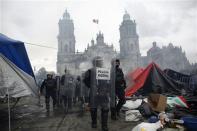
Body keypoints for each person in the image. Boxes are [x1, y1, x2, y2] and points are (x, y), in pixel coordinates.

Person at [83, 56, 111, 131]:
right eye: (98, 61)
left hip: (103, 92)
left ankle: (104, 126)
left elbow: (109, 81)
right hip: (94, 93)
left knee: (105, 109)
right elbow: (85, 80)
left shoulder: (106, 71)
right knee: (93, 108)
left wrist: (107, 89)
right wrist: (92, 86)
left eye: (100, 61)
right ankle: (94, 122)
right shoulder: (90, 71)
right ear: (95, 62)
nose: (100, 63)